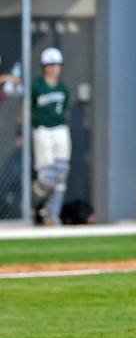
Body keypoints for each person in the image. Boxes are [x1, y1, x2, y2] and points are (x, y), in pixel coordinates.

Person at [31, 47, 71, 226]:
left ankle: (51, 214)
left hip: (60, 129)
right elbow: (26, 109)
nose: (54, 68)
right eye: (50, 65)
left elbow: (65, 109)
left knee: (61, 173)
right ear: (44, 67)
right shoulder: (37, 86)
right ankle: (31, 206)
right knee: (47, 177)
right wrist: (20, 132)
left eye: (57, 65)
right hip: (42, 130)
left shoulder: (63, 88)